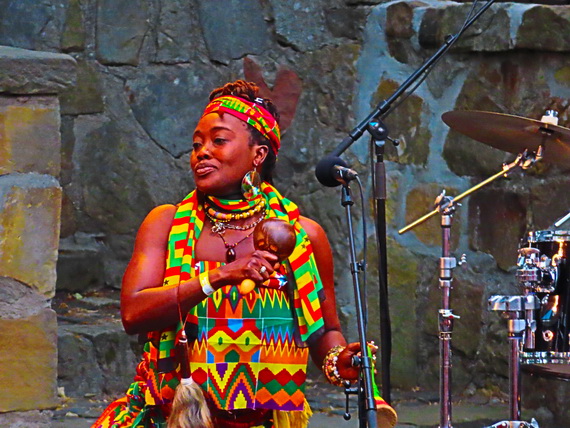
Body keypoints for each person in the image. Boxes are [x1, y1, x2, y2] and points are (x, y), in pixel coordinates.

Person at [92, 80, 397, 428]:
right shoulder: (165, 224)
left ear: (258, 154)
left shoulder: (303, 236)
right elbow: (133, 313)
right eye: (197, 144)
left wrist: (337, 360)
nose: (202, 152)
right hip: (171, 417)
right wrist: (218, 277)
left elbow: (323, 330)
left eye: (218, 140)